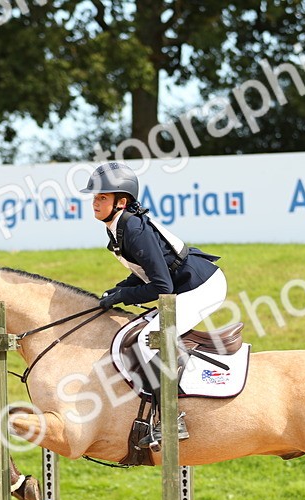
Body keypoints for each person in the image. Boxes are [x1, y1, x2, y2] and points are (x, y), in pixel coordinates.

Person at [80, 161, 228, 448]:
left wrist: (123, 297)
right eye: (94, 197)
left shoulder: (133, 229)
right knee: (138, 334)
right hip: (183, 286)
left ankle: (173, 421)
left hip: (202, 287)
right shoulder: (119, 226)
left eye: (102, 197)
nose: (95, 203)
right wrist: (121, 288)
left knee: (150, 340)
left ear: (121, 202)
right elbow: (146, 270)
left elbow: (163, 287)